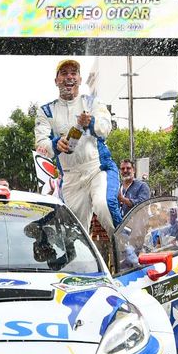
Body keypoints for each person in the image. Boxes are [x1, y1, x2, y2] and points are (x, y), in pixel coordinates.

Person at [35, 59, 121, 235]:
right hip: (71, 177)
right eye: (64, 73)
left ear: (80, 80)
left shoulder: (92, 102)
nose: (69, 77)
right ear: (56, 80)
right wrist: (55, 144)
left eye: (73, 73)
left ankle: (128, 251)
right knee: (73, 232)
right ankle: (76, 261)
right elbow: (40, 146)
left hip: (97, 168)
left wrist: (91, 122)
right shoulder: (46, 111)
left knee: (104, 206)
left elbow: (105, 128)